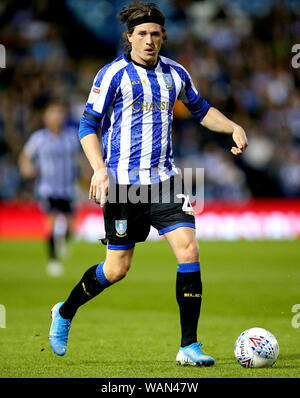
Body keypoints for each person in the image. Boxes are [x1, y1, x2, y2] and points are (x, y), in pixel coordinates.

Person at [49, 1, 248, 366]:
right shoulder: (112, 75)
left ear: (163, 37)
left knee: (189, 250)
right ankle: (65, 311)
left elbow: (202, 111)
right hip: (124, 185)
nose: (149, 40)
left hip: (165, 181)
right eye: (141, 34)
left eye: (155, 34)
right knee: (116, 269)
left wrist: (232, 126)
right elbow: (87, 126)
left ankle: (189, 346)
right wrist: (98, 168)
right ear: (129, 37)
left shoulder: (176, 74)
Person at [19, 100, 80, 277]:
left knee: (70, 226)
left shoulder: (71, 136)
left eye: (59, 113)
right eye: (53, 113)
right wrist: (26, 167)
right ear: (46, 117)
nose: (56, 117)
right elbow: (25, 157)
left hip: (67, 188)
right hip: (48, 188)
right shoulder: (38, 138)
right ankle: (53, 261)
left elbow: (78, 157)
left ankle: (62, 242)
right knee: (52, 221)